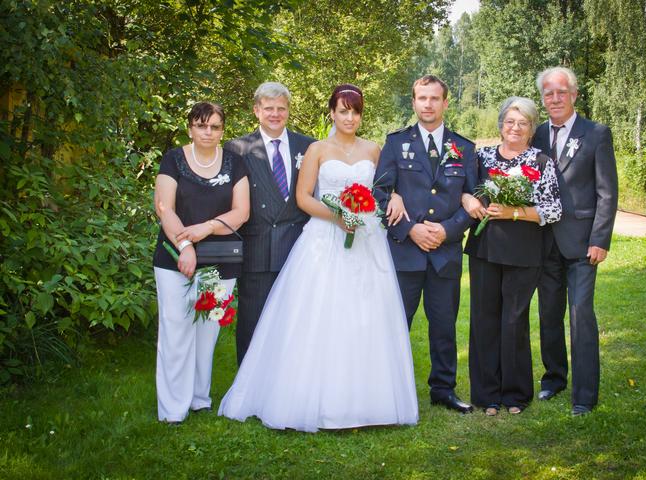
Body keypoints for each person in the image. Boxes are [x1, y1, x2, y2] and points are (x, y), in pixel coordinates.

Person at [218, 84, 419, 432]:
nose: (349, 118)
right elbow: (303, 197)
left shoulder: (374, 149)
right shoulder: (317, 149)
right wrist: (338, 216)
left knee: (366, 315)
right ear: (332, 113)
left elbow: (385, 188)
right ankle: (311, 396)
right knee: (320, 313)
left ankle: (368, 401)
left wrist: (395, 197)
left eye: (355, 112)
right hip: (324, 238)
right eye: (343, 111)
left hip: (366, 240)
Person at [373, 75, 476, 414]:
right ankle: (387, 389)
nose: (428, 104)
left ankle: (443, 390)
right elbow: (379, 193)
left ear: (446, 102)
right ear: (413, 102)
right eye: (422, 98)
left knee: (444, 326)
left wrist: (447, 230)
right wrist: (410, 229)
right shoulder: (395, 143)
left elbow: (475, 199)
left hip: (445, 254)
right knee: (396, 324)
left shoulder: (465, 147)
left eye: (434, 98)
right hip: (405, 252)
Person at [461, 97, 561, 416]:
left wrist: (513, 212)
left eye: (523, 123)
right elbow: (462, 188)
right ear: (501, 125)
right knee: (484, 319)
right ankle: (487, 394)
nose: (515, 128)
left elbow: (553, 209)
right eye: (510, 122)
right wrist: (467, 199)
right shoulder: (482, 157)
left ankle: (515, 394)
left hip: (524, 251)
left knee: (514, 321)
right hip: (485, 249)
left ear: (531, 129)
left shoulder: (541, 161)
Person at [152, 101, 250, 423]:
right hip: (175, 258)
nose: (208, 132)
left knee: (207, 331)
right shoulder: (173, 159)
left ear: (222, 130)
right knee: (176, 330)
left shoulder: (235, 163)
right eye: (201, 125)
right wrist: (185, 244)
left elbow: (241, 212)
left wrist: (205, 228)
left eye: (215, 126)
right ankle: (172, 409)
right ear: (190, 128)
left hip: (221, 259)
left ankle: (199, 398)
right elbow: (164, 208)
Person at [532, 67, 618, 416]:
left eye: (561, 92)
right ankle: (554, 379)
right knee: (549, 314)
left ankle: (584, 395)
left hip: (583, 244)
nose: (555, 99)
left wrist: (600, 239)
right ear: (543, 98)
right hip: (544, 241)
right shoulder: (536, 134)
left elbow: (607, 193)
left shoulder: (596, 134)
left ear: (574, 95)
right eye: (548, 93)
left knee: (581, 314)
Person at [224, 82, 315, 367]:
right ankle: (248, 385)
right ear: (256, 110)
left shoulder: (308, 146)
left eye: (281, 108)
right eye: (268, 108)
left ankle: (290, 380)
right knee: (253, 324)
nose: (275, 114)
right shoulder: (237, 148)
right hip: (257, 248)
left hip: (299, 249)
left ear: (288, 110)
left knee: (295, 324)